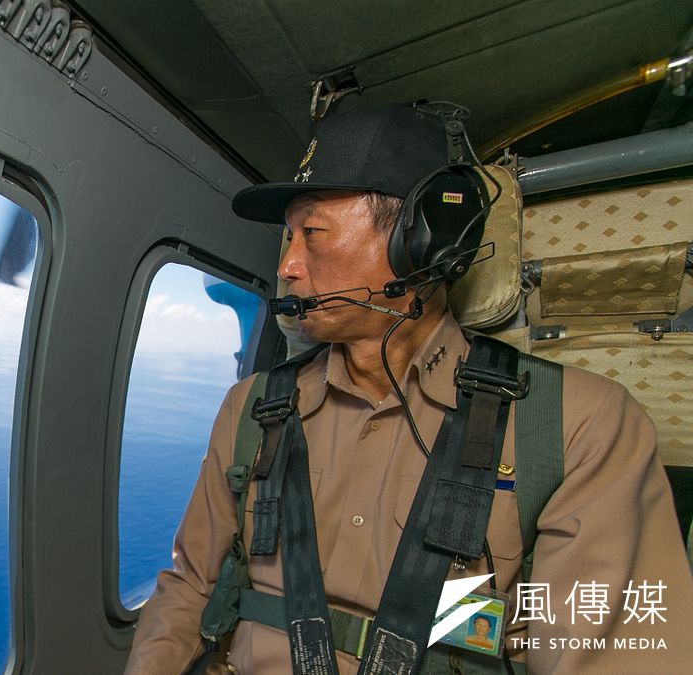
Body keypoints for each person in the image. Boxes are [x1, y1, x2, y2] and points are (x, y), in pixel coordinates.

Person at [124, 102, 693, 674]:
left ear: (421, 240)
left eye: (313, 235)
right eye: (288, 240)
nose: (290, 266)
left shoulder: (575, 423)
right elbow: (188, 589)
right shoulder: (250, 408)